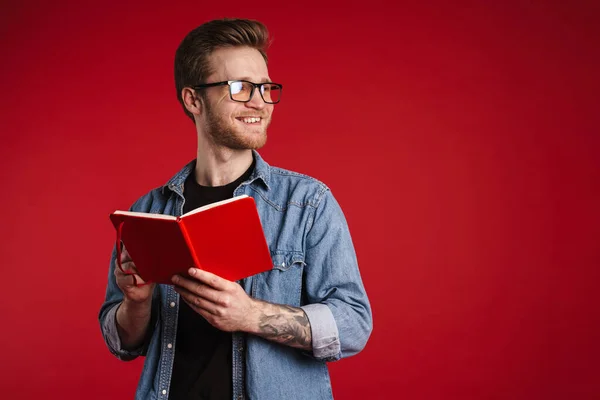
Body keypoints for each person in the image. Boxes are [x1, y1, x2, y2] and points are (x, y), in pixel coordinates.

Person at [98, 18, 372, 400]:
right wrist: (136, 302)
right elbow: (123, 342)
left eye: (265, 87)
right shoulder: (149, 210)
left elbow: (355, 324)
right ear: (193, 100)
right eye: (240, 88)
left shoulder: (308, 203)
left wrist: (251, 315)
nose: (259, 101)